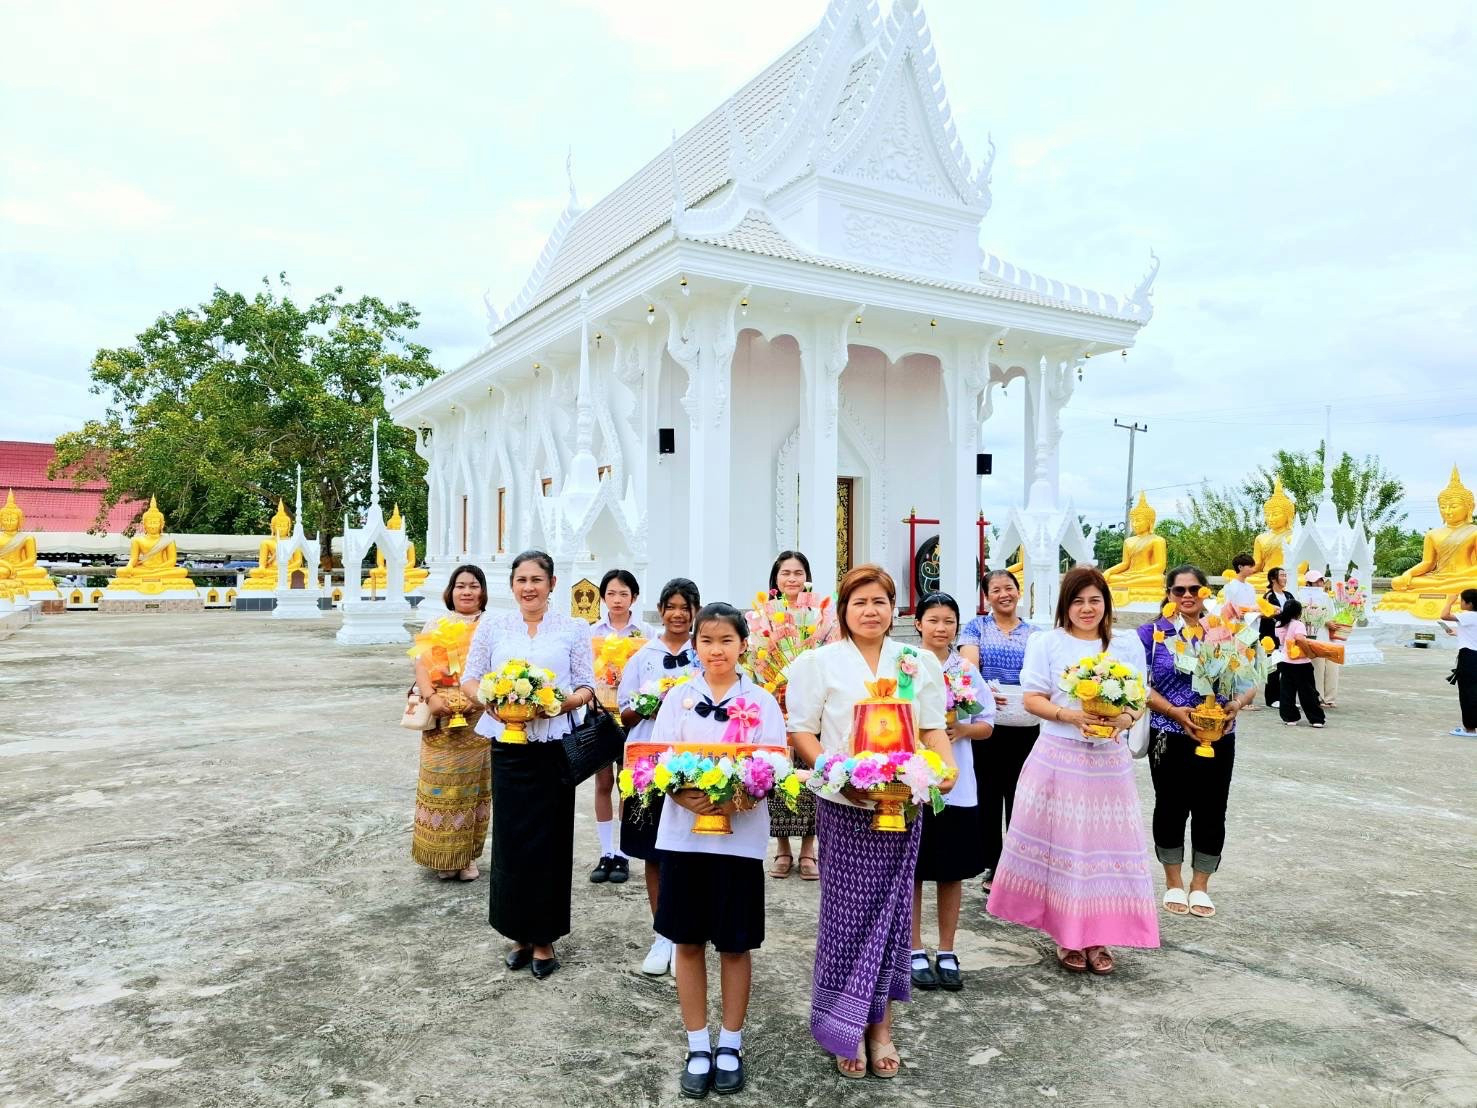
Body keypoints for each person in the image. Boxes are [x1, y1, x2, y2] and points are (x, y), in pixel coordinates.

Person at [786, 564, 956, 1079]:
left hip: (903, 809)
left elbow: (932, 729)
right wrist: (837, 775)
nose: (870, 611)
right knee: (845, 918)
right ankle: (842, 1023)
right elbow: (803, 732)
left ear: (894, 609)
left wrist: (945, 771)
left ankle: (880, 1028)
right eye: (859, 602)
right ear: (843, 610)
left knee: (893, 916)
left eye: (879, 601)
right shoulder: (818, 663)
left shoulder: (917, 662)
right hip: (844, 807)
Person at [986, 566, 1158, 976]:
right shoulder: (1047, 643)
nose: (1086, 608)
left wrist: (1123, 719)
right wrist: (1071, 715)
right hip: (1059, 756)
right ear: (1066, 605)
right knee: (1065, 849)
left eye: (1094, 600)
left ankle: (1099, 935)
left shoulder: (1126, 644)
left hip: (1108, 762)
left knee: (1105, 849)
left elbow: (1138, 698)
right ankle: (1068, 935)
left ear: (1106, 604)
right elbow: (1032, 698)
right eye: (1078, 601)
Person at [651, 603, 784, 1098]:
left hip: (739, 842)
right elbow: (657, 759)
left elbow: (773, 765)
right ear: (695, 647)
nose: (716, 650)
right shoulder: (678, 698)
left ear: (743, 645)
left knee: (734, 943)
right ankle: (697, 1044)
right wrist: (680, 793)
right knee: (686, 942)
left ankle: (731, 1042)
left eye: (726, 640)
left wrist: (737, 799)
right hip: (684, 837)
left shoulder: (762, 702)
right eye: (706, 640)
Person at [461, 550, 597, 981]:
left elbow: (586, 684)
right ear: (512, 585)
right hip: (508, 746)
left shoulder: (573, 628)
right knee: (512, 840)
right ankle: (516, 933)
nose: (529, 587)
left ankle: (545, 937)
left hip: (553, 746)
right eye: (521, 580)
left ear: (552, 584)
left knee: (551, 842)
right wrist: (490, 700)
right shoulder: (493, 625)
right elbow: (470, 677)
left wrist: (560, 703)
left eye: (537, 579)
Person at [1139, 565, 1258, 919]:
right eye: (1179, 590)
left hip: (1219, 733)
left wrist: (1237, 703)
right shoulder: (1152, 633)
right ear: (1169, 594)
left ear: (1206, 592)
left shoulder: (1225, 629)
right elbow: (1139, 684)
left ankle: (1201, 885)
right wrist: (1173, 711)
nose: (1188, 596)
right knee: (1170, 806)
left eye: (1195, 589)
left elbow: (1249, 679)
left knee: (1212, 808)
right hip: (1169, 732)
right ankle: (1173, 881)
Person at [615, 577, 702, 976]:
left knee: (689, 848)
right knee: (653, 849)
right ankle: (662, 933)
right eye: (671, 607)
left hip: (692, 762)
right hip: (648, 760)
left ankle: (687, 933)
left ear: (695, 612)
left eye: (685, 607)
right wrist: (652, 702)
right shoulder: (643, 655)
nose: (678, 614)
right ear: (661, 610)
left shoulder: (704, 653)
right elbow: (624, 714)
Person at [909, 592, 994, 992]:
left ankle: (947, 948)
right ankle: (912, 948)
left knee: (952, 872)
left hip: (956, 785)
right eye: (933, 620)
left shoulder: (965, 670)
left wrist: (961, 729)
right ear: (918, 624)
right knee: (912, 871)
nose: (941, 628)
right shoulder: (905, 665)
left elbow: (988, 723)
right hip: (913, 781)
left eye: (949, 622)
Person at [756, 550, 838, 882]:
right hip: (776, 703)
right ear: (775, 579)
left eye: (798, 573)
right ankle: (782, 848)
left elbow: (831, 654)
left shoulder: (821, 616)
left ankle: (807, 849)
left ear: (807, 578)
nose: (792, 579)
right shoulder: (763, 615)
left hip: (813, 707)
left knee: (812, 772)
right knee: (779, 773)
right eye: (785, 573)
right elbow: (757, 658)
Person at [959, 569, 1039, 893]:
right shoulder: (976, 627)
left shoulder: (1035, 634)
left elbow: (1040, 674)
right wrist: (986, 691)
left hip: (1025, 724)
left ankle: (1020, 866)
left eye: (1009, 588)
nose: (1003, 594)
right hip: (987, 725)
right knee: (988, 796)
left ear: (1019, 592)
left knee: (1021, 796)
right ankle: (993, 865)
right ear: (987, 596)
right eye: (996, 589)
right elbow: (969, 667)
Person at [411, 565, 490, 881]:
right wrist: (431, 697)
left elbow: (497, 667)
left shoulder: (490, 626)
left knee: (472, 790)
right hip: (441, 717)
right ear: (450, 591)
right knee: (440, 787)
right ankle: (441, 858)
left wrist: (478, 698)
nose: (467, 592)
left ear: (483, 591)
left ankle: (467, 858)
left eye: (473, 586)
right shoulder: (436, 623)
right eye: (460, 586)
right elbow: (420, 664)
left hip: (477, 718)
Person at [588, 568, 655, 886]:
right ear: (602, 597)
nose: (617, 600)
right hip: (600, 715)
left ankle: (623, 854)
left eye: (624, 594)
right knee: (603, 782)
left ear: (634, 597)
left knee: (627, 784)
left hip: (632, 716)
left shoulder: (646, 634)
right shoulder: (591, 633)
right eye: (611, 594)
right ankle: (605, 851)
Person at [1274, 598, 1325, 728]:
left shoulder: (1279, 624)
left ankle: (1289, 717)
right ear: (1298, 612)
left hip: (1285, 661)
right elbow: (1300, 639)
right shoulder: (1298, 624)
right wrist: (1310, 653)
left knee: (1287, 691)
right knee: (1308, 691)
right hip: (1301, 663)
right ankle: (1316, 718)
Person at [1299, 569, 1341, 709]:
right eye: (1315, 582)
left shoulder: (1327, 596)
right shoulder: (1302, 596)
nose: (1319, 584)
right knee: (1317, 667)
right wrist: (1325, 622)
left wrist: (1336, 623)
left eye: (1320, 581)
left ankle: (1330, 698)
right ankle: (1318, 697)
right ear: (1308, 584)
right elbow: (1304, 616)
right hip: (1314, 635)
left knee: (1332, 667)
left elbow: (1333, 615)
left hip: (1329, 636)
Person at [1438, 590, 1477, 737]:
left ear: (1470, 603)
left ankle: (1470, 729)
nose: (1461, 603)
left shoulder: (1468, 615)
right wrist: (1458, 632)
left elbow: (1444, 615)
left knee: (1468, 692)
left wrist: (1449, 601)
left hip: (1469, 657)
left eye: (1462, 600)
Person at [1260, 567, 1293, 707]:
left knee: (1287, 669)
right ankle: (1272, 698)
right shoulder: (1268, 597)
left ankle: (1285, 698)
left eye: (1285, 575)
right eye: (1282, 575)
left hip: (1287, 636)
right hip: (1271, 637)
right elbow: (1265, 615)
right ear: (1273, 579)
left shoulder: (1289, 595)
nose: (1285, 578)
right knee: (1273, 668)